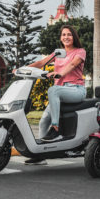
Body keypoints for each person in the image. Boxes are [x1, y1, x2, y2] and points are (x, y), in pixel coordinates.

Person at [20, 25, 86, 165]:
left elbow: (73, 64)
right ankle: (40, 155)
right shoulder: (58, 53)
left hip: (76, 89)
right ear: (60, 38)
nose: (66, 37)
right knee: (44, 120)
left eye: (69, 34)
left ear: (74, 37)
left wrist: (60, 73)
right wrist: (22, 69)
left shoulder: (80, 51)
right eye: (63, 35)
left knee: (53, 90)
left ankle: (55, 128)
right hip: (59, 90)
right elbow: (41, 62)